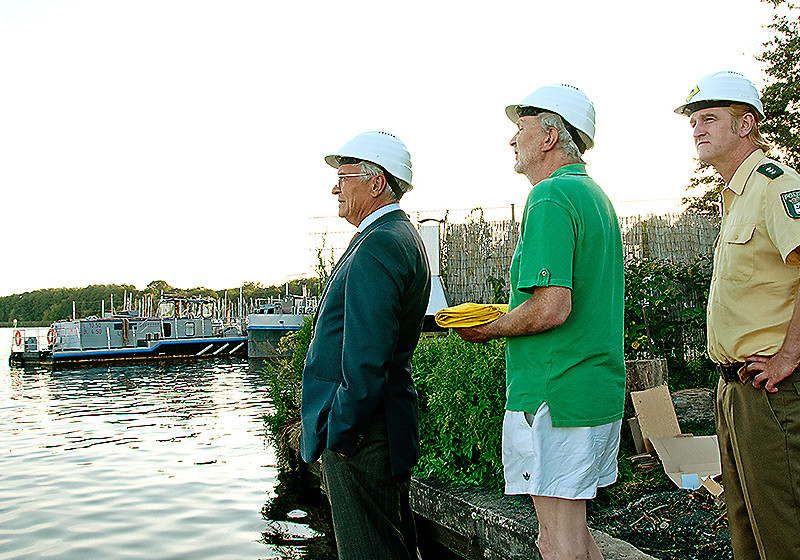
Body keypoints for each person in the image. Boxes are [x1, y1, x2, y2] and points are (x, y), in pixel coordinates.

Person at [455, 84, 625, 560]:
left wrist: (487, 327)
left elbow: (553, 306)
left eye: (521, 128)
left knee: (555, 540)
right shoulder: (594, 195)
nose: (512, 140)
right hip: (590, 391)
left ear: (550, 135)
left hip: (554, 396)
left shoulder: (550, 196)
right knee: (576, 534)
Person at [675, 70, 800, 560]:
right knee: (747, 530)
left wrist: (789, 355)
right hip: (735, 390)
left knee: (783, 530)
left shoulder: (776, 185)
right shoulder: (735, 195)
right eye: (693, 121)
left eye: (709, 118)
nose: (698, 129)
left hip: (771, 388)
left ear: (746, 124)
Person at [300, 131, 431, 560]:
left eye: (344, 176)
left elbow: (366, 360)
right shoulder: (396, 236)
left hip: (362, 437)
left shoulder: (378, 245)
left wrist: (338, 432)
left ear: (376, 183)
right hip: (378, 429)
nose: (335, 187)